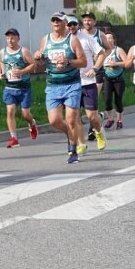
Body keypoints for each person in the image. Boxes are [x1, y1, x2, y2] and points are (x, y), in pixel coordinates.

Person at [33, 12, 87, 164]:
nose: (56, 22)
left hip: (71, 84)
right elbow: (41, 63)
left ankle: (73, 150)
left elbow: (83, 62)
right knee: (54, 120)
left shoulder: (73, 40)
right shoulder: (46, 39)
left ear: (65, 22)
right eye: (53, 20)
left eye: (58, 20)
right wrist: (39, 57)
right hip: (53, 85)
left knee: (71, 119)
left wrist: (68, 61)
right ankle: (71, 134)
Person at [66, 15, 106, 154]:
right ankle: (81, 143)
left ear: (78, 25)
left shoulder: (86, 38)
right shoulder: (62, 41)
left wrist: (94, 68)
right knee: (74, 116)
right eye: (69, 24)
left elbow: (101, 53)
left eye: (73, 24)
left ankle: (99, 132)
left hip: (87, 82)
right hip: (71, 83)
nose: (71, 27)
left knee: (91, 116)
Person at [0, 28, 39, 148]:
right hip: (9, 87)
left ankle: (32, 123)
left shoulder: (23, 51)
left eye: (12, 38)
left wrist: (22, 72)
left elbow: (33, 65)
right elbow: (2, 62)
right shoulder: (2, 51)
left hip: (24, 87)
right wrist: (2, 73)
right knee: (10, 111)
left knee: (25, 114)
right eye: (8, 38)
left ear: (18, 38)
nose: (10, 40)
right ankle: (14, 138)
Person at [80, 11, 111, 141]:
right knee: (88, 106)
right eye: (85, 20)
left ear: (94, 22)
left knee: (94, 99)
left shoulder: (100, 34)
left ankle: (93, 129)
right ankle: (98, 117)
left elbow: (108, 49)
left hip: (96, 71)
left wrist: (99, 57)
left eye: (90, 20)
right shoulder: (78, 34)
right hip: (82, 72)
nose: (87, 22)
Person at [101, 32, 131, 130]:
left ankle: (119, 120)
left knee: (118, 101)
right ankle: (110, 119)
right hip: (107, 79)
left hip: (118, 79)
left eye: (110, 38)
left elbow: (127, 63)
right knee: (107, 100)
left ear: (113, 40)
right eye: (106, 38)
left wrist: (116, 63)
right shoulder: (102, 51)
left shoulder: (118, 50)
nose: (108, 40)